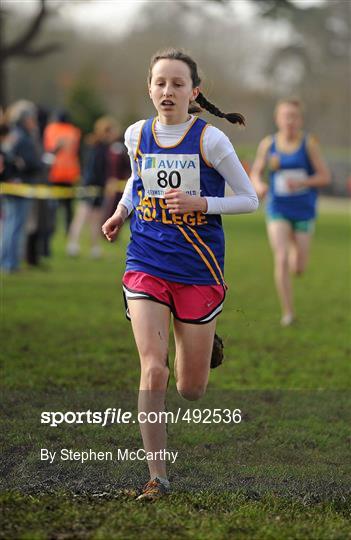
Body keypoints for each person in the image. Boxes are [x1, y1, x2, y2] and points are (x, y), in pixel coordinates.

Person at [101, 48, 258, 500]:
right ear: (149, 88)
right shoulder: (136, 134)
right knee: (153, 369)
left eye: (177, 84)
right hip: (146, 259)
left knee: (190, 390)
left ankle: (204, 336)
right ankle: (158, 476)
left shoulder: (210, 141)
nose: (167, 91)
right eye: (160, 83)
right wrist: (121, 212)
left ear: (194, 92)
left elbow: (250, 199)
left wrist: (202, 204)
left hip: (197, 269)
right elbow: (137, 180)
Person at [250, 99, 331, 326]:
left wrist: (304, 182)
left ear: (300, 120)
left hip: (304, 210)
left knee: (299, 267)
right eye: (286, 116)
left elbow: (325, 176)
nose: (290, 121)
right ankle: (288, 312)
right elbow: (255, 173)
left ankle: (298, 251)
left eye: (294, 116)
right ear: (278, 119)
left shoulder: (309, 144)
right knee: (282, 258)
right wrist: (259, 185)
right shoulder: (268, 144)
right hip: (278, 207)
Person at [66, 116, 118, 258]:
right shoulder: (97, 147)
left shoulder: (103, 147)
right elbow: (93, 169)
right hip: (91, 187)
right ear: (106, 131)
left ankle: (94, 248)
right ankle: (72, 245)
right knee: (82, 217)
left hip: (97, 187)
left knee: (96, 219)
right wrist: (99, 184)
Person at [0, 101, 43, 273]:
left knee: (9, 225)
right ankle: (11, 264)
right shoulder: (24, 138)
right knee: (16, 226)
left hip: (11, 185)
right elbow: (32, 163)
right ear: (25, 119)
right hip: (21, 186)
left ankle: (6, 261)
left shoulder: (12, 135)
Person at [43, 110, 81, 234]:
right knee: (69, 207)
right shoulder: (74, 131)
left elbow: (48, 149)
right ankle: (68, 229)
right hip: (70, 172)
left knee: (52, 206)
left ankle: (51, 228)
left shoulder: (50, 129)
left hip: (54, 172)